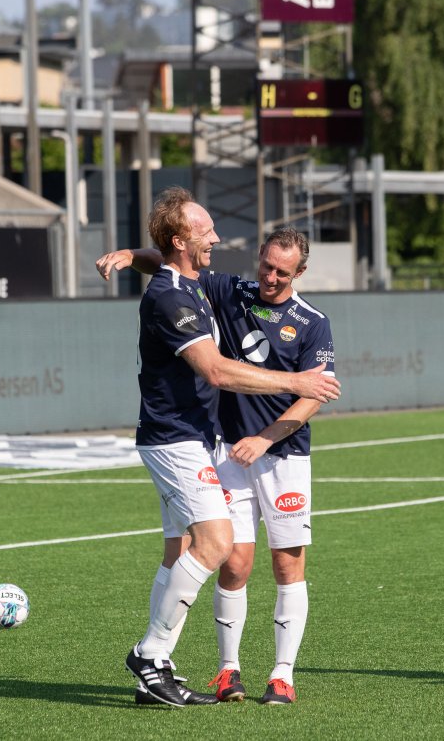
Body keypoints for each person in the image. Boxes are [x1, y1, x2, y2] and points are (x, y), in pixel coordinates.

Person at [99, 187, 340, 708]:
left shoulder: (299, 317)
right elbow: (214, 370)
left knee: (184, 552)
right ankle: (157, 656)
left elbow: (165, 257)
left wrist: (130, 254)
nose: (216, 237)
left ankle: (166, 671)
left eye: (282, 271)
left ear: (298, 273)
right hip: (187, 440)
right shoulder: (179, 294)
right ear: (182, 240)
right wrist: (294, 381)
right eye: (206, 230)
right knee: (219, 548)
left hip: (237, 446)